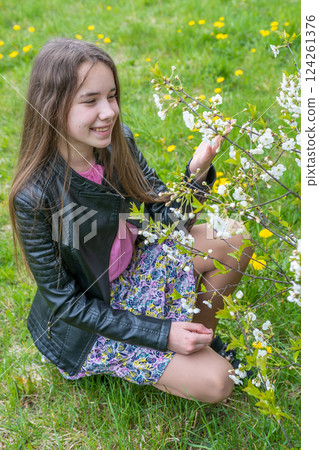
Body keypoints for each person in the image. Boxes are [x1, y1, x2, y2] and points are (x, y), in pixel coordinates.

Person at [9, 38, 253, 404]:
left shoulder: (116, 143)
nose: (109, 112)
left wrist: (195, 176)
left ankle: (200, 336)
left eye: (112, 96)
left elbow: (164, 218)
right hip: (92, 317)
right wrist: (161, 335)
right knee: (219, 383)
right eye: (90, 101)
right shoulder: (34, 197)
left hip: (134, 268)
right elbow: (68, 305)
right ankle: (172, 345)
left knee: (234, 237)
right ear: (52, 106)